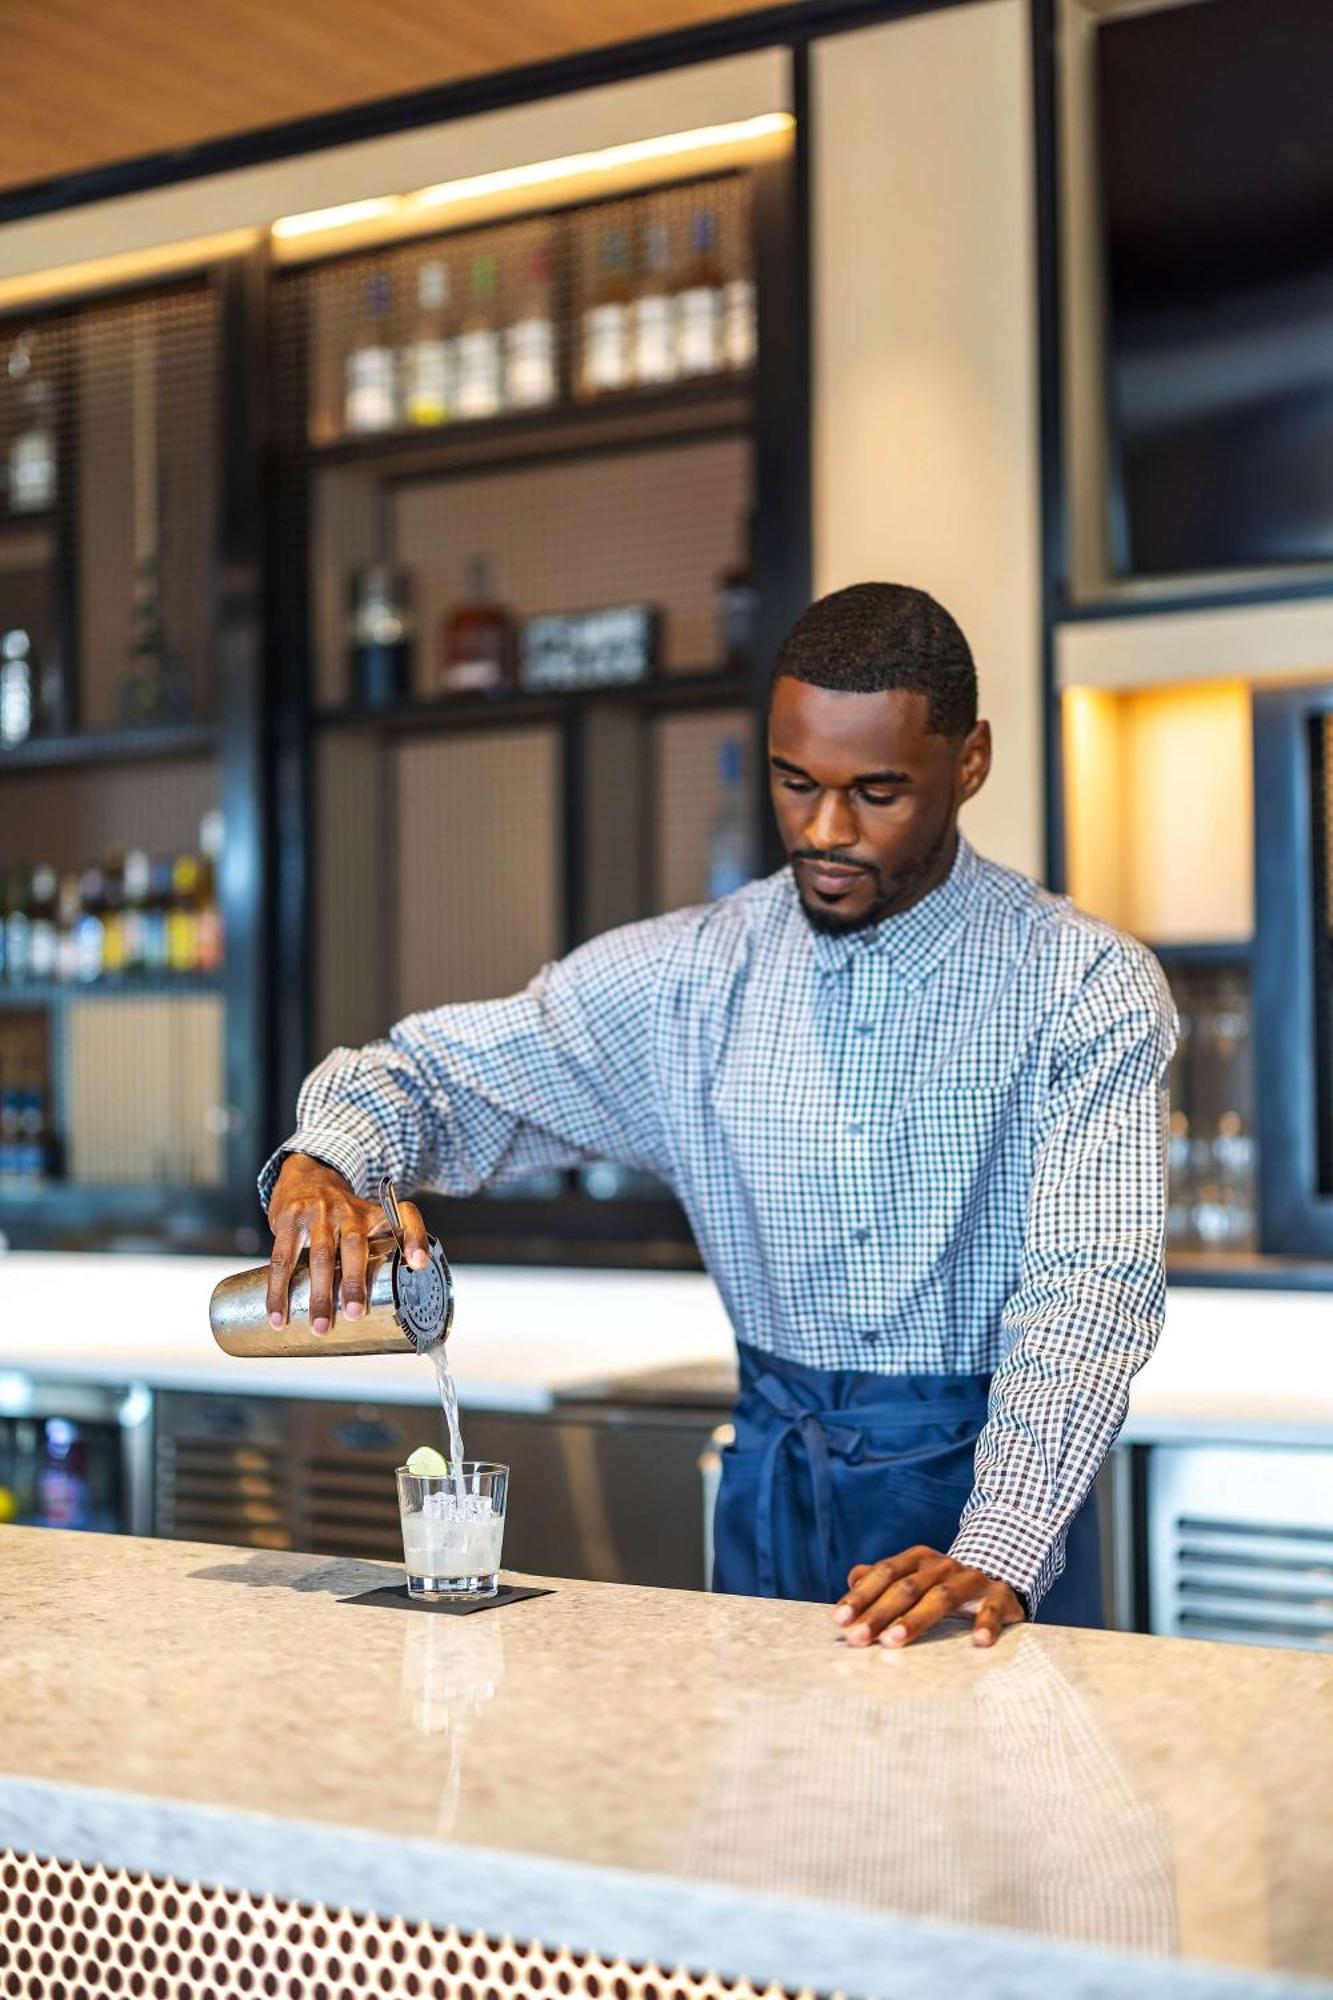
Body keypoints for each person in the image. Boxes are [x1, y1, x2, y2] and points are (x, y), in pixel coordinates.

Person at [261, 583, 1176, 1649]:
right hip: (766, 1501)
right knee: (766, 1808)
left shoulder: (1084, 984)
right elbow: (428, 1076)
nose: (826, 830)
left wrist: (1001, 1545)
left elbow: (1088, 1286)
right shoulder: (689, 981)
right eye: (797, 784)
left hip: (981, 1534)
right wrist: (325, 1160)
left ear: (968, 760)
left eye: (876, 792)